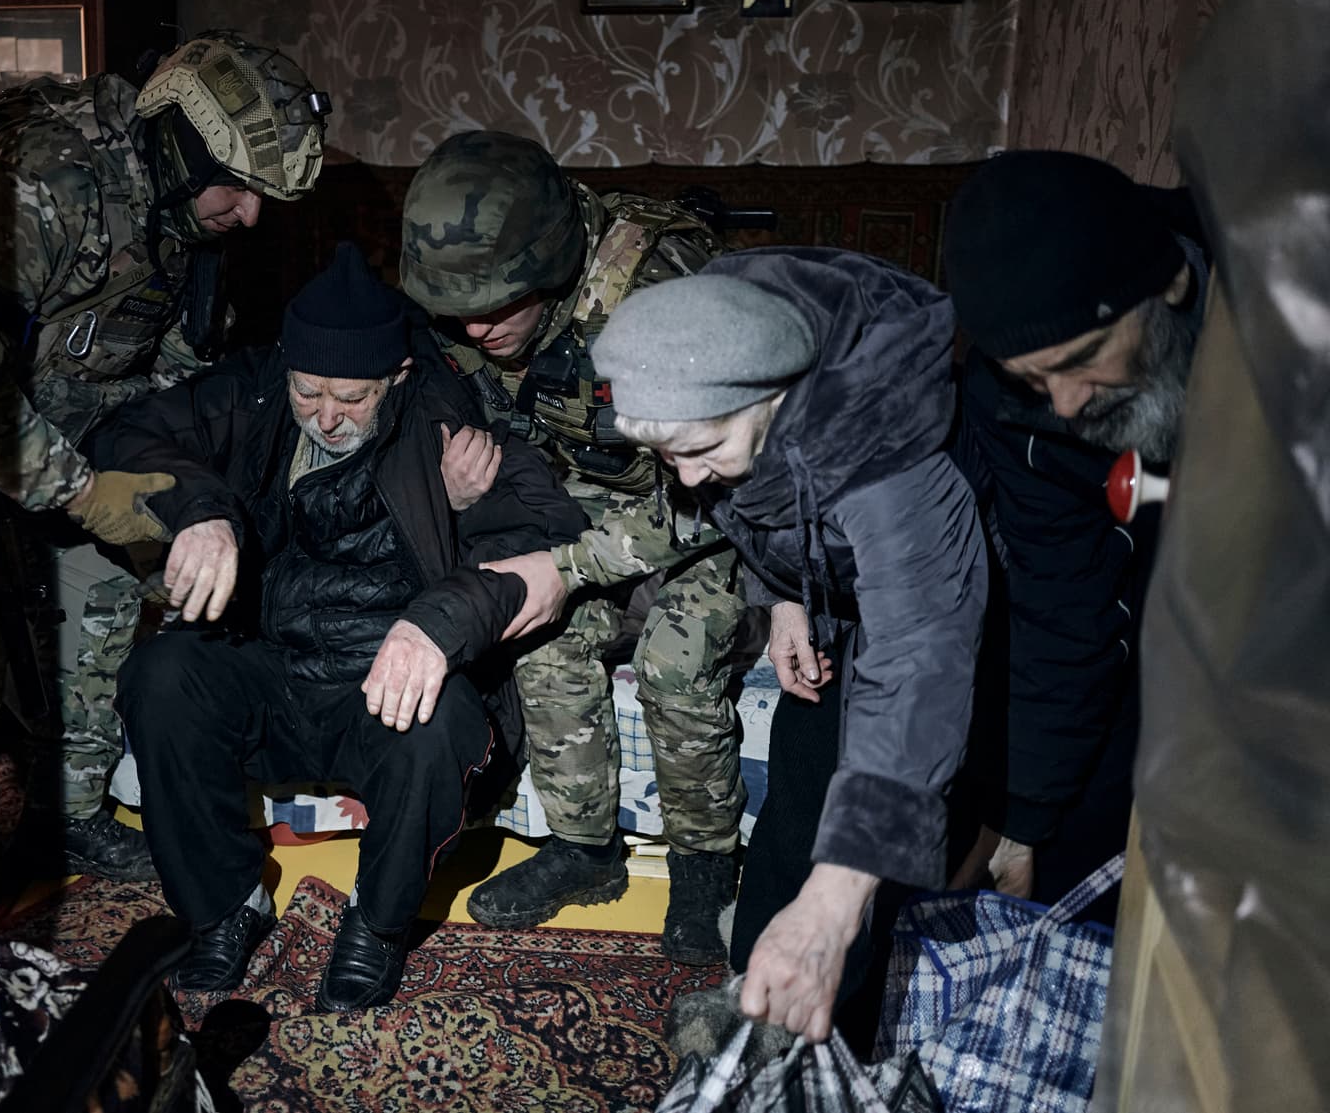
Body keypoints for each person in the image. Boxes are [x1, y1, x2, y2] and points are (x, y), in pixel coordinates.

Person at [0, 31, 329, 939]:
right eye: (238, 188)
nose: (251, 215)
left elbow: (173, 380)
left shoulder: (187, 217)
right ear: (183, 146)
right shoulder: (38, 177)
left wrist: (182, 498)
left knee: (109, 587)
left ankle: (67, 816)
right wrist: (83, 492)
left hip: (48, 404)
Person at [94, 249, 588, 1011]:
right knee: (162, 676)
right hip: (275, 664)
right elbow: (121, 433)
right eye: (309, 390)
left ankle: (379, 924)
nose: (326, 415)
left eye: (351, 397)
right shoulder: (254, 390)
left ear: (393, 377)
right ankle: (227, 905)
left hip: (382, 689)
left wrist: (438, 613)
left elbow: (552, 533)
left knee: (444, 720)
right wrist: (200, 509)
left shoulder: (444, 413)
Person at [586, 250, 986, 1045]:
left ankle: (842, 1039)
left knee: (880, 853)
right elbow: (770, 503)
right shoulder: (731, 329)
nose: (690, 479)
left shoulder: (886, 458)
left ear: (773, 398)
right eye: (668, 457)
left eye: (704, 450)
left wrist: (832, 909)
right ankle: (752, 1011)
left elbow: (917, 661)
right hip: (839, 597)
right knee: (800, 795)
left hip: (948, 616)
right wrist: (786, 595)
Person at [398, 132, 748, 965]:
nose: (474, 325)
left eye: (494, 303)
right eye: (459, 308)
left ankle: (707, 865)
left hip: (704, 508)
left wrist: (567, 567)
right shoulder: (470, 310)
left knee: (676, 660)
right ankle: (584, 850)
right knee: (541, 640)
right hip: (582, 510)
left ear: (552, 265)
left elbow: (729, 486)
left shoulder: (661, 297)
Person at [942, 151, 1209, 919]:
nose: (1061, 405)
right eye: (1032, 377)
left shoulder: (1286, 307)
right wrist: (1023, 824)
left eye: (1083, 360)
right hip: (1156, 605)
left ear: (1173, 289)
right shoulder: (1017, 408)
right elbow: (1064, 606)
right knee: (1067, 856)